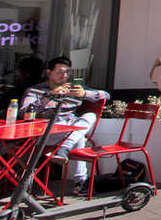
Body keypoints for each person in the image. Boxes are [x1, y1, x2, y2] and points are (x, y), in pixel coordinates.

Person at [20, 56, 110, 196]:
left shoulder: (73, 89)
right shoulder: (36, 90)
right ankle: (81, 182)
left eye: (68, 72)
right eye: (60, 72)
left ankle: (65, 147)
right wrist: (48, 96)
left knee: (90, 116)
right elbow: (24, 112)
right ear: (49, 73)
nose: (65, 76)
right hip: (46, 133)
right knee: (78, 136)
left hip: (69, 130)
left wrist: (85, 93)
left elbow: (106, 95)